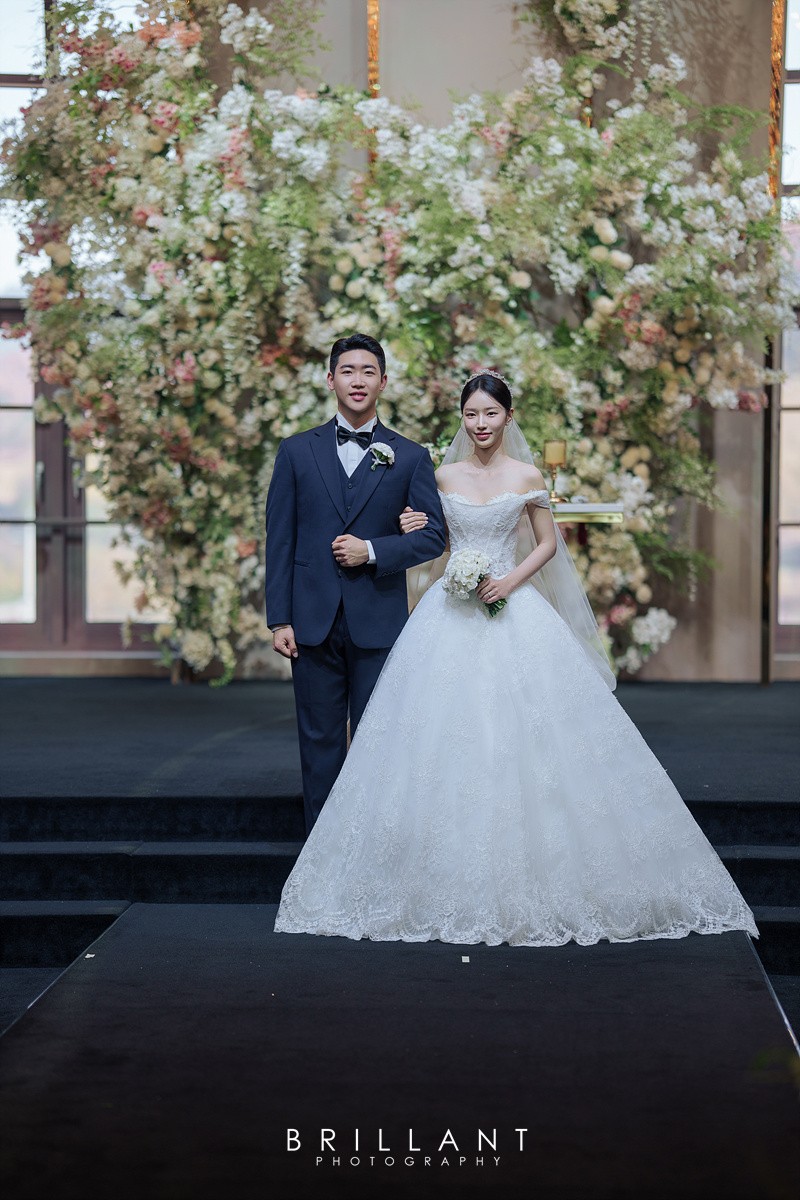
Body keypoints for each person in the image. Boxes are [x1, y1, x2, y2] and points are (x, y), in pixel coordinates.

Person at [273, 369, 759, 948]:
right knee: (432, 735)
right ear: (462, 419)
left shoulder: (527, 475)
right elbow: (430, 537)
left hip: (512, 605)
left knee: (533, 734)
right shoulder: (439, 472)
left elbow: (548, 543)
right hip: (450, 610)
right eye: (471, 414)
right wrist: (416, 527)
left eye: (490, 413)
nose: (480, 423)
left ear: (508, 416)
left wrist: (508, 580)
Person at [265, 332, 446, 835]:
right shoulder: (296, 452)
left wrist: (374, 550)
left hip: (378, 620)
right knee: (318, 741)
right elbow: (280, 539)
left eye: (369, 371)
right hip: (311, 620)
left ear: (383, 382)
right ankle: (319, 856)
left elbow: (434, 537)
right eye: (348, 371)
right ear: (330, 380)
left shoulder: (409, 456)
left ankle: (371, 853)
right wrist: (279, 618)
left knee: (377, 743)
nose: (358, 380)